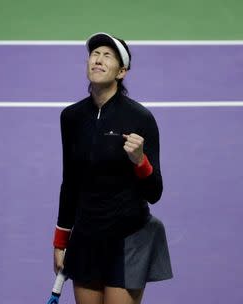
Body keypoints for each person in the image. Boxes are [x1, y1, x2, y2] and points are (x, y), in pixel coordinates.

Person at [52, 32, 173, 304]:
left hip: (128, 239)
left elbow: (155, 192)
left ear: (121, 71)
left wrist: (140, 160)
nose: (98, 59)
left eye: (107, 56)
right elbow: (69, 182)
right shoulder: (71, 117)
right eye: (94, 54)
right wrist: (61, 241)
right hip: (85, 239)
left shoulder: (140, 118)